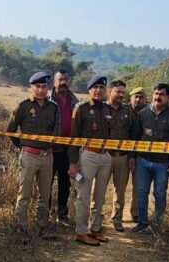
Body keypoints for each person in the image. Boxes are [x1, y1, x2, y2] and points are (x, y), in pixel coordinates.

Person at [7, 72, 59, 242]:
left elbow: (56, 131)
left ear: (48, 88)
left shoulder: (53, 108)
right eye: (37, 86)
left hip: (47, 156)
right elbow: (10, 130)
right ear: (31, 87)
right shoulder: (23, 106)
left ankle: (42, 226)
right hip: (29, 155)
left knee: (45, 194)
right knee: (24, 193)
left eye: (44, 87)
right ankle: (20, 228)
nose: (41, 90)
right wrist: (23, 146)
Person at [132, 83, 169, 234]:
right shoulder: (143, 113)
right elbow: (135, 137)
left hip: (162, 163)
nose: (158, 97)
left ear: (168, 97)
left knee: (160, 194)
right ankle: (142, 223)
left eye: (161, 94)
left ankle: (156, 225)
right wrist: (132, 157)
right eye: (156, 94)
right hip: (142, 161)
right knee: (141, 192)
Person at [69, 75, 113, 246]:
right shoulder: (81, 108)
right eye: (95, 87)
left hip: (105, 156)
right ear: (89, 90)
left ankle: (95, 229)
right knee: (83, 195)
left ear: (105, 90)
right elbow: (74, 137)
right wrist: (73, 163)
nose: (98, 90)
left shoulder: (107, 109)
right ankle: (81, 232)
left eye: (101, 88)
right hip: (87, 156)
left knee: (100, 196)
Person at [106, 79, 139, 231]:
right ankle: (95, 218)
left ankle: (117, 219)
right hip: (105, 156)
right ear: (109, 91)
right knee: (98, 189)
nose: (120, 95)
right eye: (117, 91)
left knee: (120, 190)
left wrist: (131, 156)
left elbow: (133, 135)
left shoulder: (128, 112)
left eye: (122, 92)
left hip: (123, 157)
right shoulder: (102, 109)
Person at [49, 70, 78, 225]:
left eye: (66, 79)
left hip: (68, 151)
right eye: (60, 79)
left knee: (65, 184)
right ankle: (46, 214)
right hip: (50, 150)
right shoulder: (48, 100)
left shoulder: (75, 101)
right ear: (54, 82)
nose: (63, 82)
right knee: (46, 183)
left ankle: (62, 215)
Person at [128, 87, 147, 221]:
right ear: (131, 98)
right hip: (123, 153)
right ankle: (116, 215)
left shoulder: (148, 113)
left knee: (138, 186)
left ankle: (135, 212)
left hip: (140, 155)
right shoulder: (124, 110)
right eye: (136, 97)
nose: (138, 100)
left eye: (141, 97)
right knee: (119, 187)